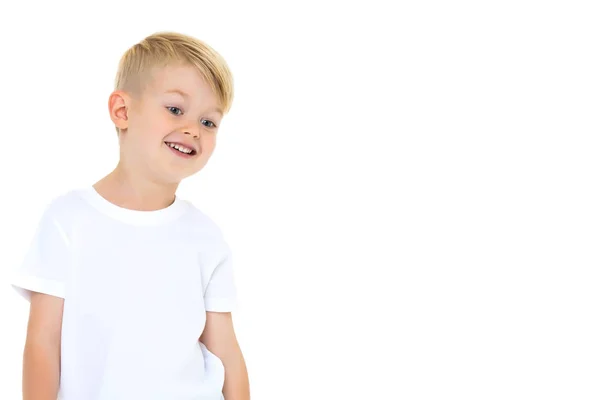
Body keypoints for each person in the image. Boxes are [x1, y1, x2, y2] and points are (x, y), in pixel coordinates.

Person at [10, 31, 250, 400]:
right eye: (175, 109)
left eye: (209, 122)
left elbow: (227, 354)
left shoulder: (206, 237)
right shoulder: (68, 220)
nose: (192, 129)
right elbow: (42, 343)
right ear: (123, 111)